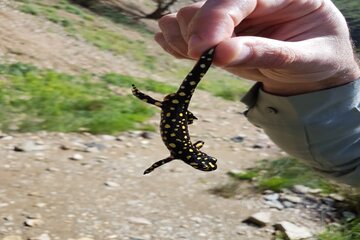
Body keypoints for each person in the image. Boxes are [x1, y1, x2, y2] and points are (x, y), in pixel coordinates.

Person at [154, 0, 360, 187]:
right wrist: (320, 81)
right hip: (178, 108)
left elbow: (347, 161)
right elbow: (349, 159)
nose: (205, 156)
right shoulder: (183, 151)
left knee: (193, 78)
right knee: (195, 75)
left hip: (177, 109)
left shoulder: (184, 151)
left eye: (206, 159)